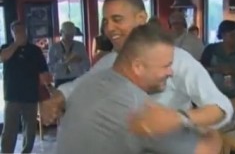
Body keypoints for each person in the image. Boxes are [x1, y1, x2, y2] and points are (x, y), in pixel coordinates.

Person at [41, 0, 233, 137]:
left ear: (141, 19)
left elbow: (221, 108)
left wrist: (179, 119)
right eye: (106, 22)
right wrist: (56, 99)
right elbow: (78, 87)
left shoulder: (177, 59)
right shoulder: (109, 61)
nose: (109, 28)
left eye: (117, 20)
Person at [56, 24, 222, 154]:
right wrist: (208, 128)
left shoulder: (90, 82)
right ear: (138, 67)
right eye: (165, 66)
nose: (171, 72)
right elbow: (205, 150)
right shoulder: (137, 106)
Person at [0, 20, 50, 153]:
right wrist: (16, 44)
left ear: (26, 32)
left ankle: (26, 151)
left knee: (30, 130)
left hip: (30, 96)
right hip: (12, 96)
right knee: (9, 130)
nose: (20, 34)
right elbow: (2, 58)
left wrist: (47, 85)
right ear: (12, 33)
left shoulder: (35, 50)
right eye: (17, 31)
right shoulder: (7, 47)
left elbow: (43, 72)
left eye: (22, 31)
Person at [48, 21, 90, 87]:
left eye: (72, 35)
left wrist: (80, 60)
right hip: (60, 79)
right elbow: (50, 69)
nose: (70, 38)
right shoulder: (54, 48)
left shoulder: (80, 46)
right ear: (61, 32)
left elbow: (87, 66)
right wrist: (62, 61)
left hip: (77, 78)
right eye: (67, 35)